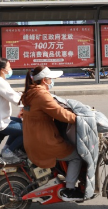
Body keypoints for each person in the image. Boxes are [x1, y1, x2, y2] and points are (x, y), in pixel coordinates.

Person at [20, 66, 83, 201]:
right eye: (51, 79)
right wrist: (79, 119)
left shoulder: (30, 93)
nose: (52, 81)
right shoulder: (41, 95)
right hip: (44, 142)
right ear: (44, 80)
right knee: (76, 156)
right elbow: (59, 113)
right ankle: (70, 189)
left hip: (32, 139)